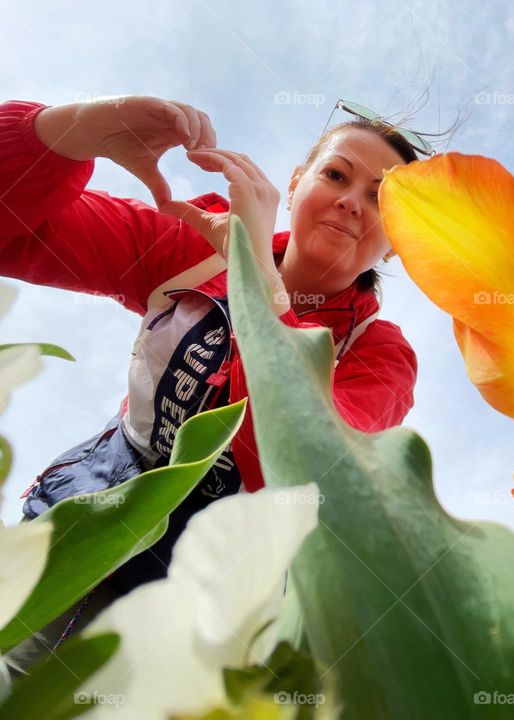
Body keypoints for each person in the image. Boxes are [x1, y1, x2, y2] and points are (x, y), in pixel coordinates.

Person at [0, 94, 430, 673]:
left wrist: (255, 272)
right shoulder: (196, 245)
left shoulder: (380, 356)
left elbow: (297, 462)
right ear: (298, 182)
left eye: (381, 200)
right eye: (336, 175)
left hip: (199, 626)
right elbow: (14, 229)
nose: (353, 203)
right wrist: (70, 131)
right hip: (70, 543)